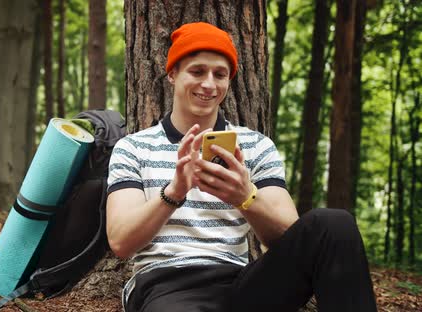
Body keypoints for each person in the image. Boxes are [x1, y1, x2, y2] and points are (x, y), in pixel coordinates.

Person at [106, 22, 377, 312]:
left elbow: (288, 237)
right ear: (172, 74)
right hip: (165, 283)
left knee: (334, 224)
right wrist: (174, 192)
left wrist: (245, 196)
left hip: (241, 283)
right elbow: (121, 242)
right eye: (197, 71)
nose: (209, 84)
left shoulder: (257, 146)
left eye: (220, 74)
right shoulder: (133, 148)